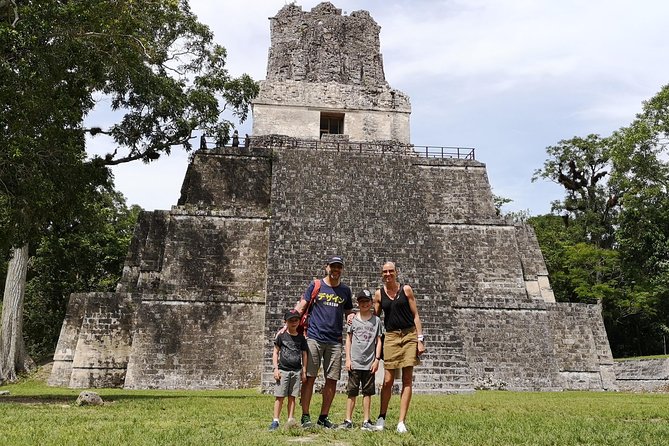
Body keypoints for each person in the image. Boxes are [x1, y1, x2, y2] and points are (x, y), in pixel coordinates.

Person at [294, 256, 354, 429]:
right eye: (333, 266)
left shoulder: (345, 290)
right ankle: (305, 416)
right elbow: (303, 305)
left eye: (339, 267)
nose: (336, 270)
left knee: (332, 379)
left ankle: (323, 417)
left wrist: (350, 315)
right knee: (309, 378)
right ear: (326, 267)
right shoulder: (316, 285)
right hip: (314, 337)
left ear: (342, 269)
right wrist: (288, 323)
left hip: (334, 340)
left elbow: (348, 310)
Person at [373, 261, 426, 434]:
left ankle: (401, 421)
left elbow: (415, 315)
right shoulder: (379, 294)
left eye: (391, 271)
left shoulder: (406, 290)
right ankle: (381, 416)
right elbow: (374, 317)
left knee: (407, 379)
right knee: (388, 380)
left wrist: (420, 339)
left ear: (396, 272)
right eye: (385, 272)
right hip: (391, 336)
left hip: (409, 335)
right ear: (382, 274)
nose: (388, 274)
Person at [339, 289, 384, 431]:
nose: (364, 304)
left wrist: (377, 359)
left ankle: (366, 420)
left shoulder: (376, 321)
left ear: (371, 303)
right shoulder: (353, 320)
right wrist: (348, 359)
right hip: (355, 362)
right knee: (352, 392)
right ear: (358, 303)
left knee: (367, 392)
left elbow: (379, 341)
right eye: (362, 301)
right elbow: (348, 340)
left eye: (367, 301)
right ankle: (348, 419)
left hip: (369, 363)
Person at [269, 309, 308, 431]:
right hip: (283, 370)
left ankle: (290, 419)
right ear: (286, 322)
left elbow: (304, 355)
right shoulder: (281, 336)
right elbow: (275, 352)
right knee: (280, 396)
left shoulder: (301, 338)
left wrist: (304, 370)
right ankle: (276, 420)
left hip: (296, 371)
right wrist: (275, 368)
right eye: (291, 320)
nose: (294, 322)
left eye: (296, 320)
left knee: (292, 397)